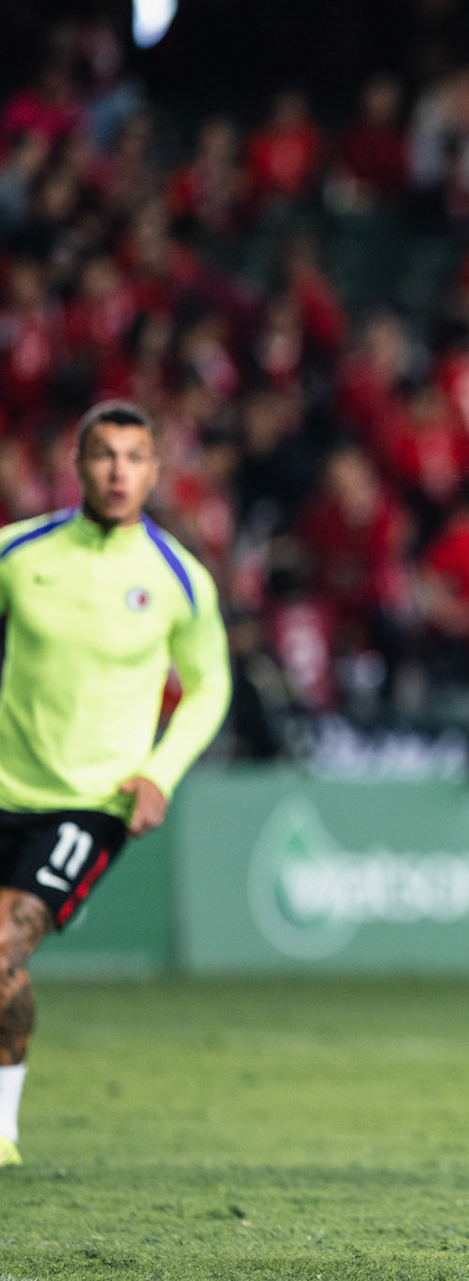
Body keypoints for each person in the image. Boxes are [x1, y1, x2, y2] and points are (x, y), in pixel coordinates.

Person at [0, 401, 231, 1165]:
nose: (119, 471)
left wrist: (160, 772)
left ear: (156, 471)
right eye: (104, 454)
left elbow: (210, 686)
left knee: (2, 944)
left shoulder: (177, 579)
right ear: (78, 465)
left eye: (135, 456)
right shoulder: (18, 553)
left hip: (89, 804)